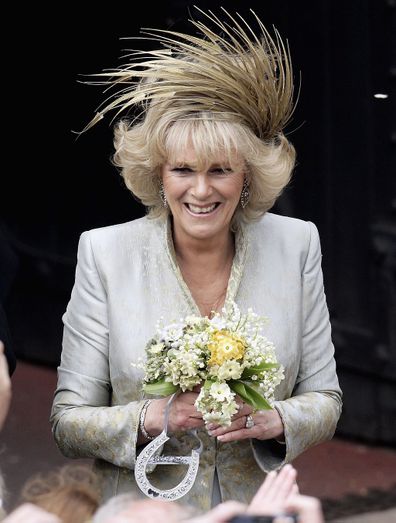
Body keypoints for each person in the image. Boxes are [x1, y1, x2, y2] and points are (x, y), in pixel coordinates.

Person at [50, 7, 342, 512]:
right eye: (183, 169)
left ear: (247, 176)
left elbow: (326, 399)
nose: (201, 190)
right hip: (142, 513)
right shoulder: (104, 253)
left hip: (254, 511)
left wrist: (276, 419)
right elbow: (67, 421)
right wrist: (151, 416)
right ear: (159, 175)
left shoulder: (296, 245)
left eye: (221, 170)